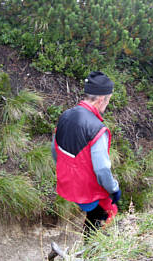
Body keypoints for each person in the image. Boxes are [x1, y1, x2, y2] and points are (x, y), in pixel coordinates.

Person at [51, 71, 121, 236]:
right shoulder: (97, 129)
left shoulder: (66, 116)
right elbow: (102, 169)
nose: (107, 104)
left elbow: (55, 150)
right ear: (101, 99)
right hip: (86, 191)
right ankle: (92, 250)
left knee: (94, 213)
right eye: (108, 100)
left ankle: (90, 242)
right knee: (109, 211)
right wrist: (114, 188)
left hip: (66, 183)